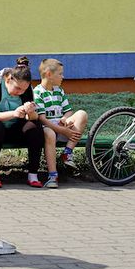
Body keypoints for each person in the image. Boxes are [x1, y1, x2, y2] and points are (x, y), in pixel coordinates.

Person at [0, 56, 44, 188]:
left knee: (35, 127)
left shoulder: (26, 89)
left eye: (24, 90)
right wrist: (13, 113)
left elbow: (32, 118)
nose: (20, 92)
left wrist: (30, 112)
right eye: (18, 88)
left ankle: (33, 174)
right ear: (8, 80)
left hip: (16, 128)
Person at [33, 58, 89, 188]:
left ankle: (67, 152)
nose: (63, 77)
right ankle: (53, 176)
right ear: (49, 74)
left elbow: (68, 111)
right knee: (50, 133)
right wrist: (61, 130)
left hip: (61, 126)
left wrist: (65, 119)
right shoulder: (37, 93)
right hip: (48, 128)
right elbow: (42, 118)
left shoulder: (59, 91)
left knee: (82, 114)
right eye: (60, 74)